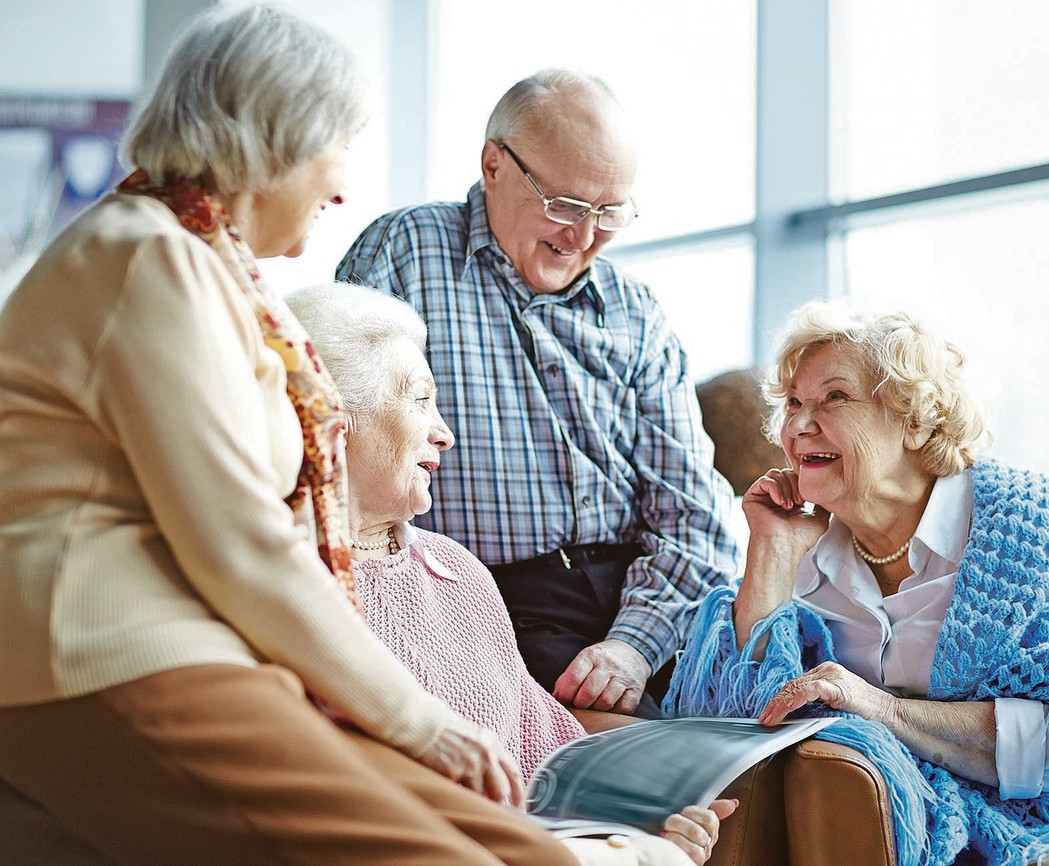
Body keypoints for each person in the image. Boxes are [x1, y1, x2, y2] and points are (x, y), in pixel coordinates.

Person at [0, 6, 579, 865]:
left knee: (533, 850)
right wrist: (420, 722)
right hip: (105, 649)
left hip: (189, 652)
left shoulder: (211, 272)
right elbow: (243, 546)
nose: (343, 186)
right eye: (338, 146)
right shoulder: (142, 258)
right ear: (273, 137)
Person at [667, 301, 1049, 866]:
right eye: (793, 404)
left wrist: (888, 710)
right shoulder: (802, 544)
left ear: (912, 419)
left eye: (833, 399)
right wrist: (770, 553)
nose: (800, 425)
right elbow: (735, 728)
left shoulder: (1028, 521)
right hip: (998, 811)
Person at [283, 281, 738, 866]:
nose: (445, 433)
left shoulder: (459, 574)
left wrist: (640, 820)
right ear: (334, 416)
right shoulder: (278, 583)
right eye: (420, 401)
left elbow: (545, 746)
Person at [336, 68, 742, 719]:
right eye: (567, 205)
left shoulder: (634, 311)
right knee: (651, 770)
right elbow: (346, 445)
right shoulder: (408, 250)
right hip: (481, 601)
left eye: (609, 212)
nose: (584, 237)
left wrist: (632, 648)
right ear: (493, 164)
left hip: (646, 602)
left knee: (785, 726)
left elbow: (698, 517)